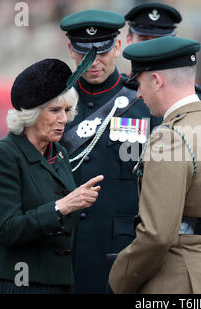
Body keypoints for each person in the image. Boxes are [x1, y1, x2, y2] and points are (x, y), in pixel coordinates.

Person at [108, 36, 201, 293]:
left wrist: (119, 278)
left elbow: (157, 235)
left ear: (156, 80)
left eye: (139, 83)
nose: (138, 93)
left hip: (176, 282)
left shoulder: (168, 137)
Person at [0, 59, 103, 294]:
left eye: (67, 111)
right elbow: (9, 229)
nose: (64, 119)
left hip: (55, 282)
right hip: (10, 284)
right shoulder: (2, 155)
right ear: (30, 114)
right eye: (54, 110)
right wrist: (62, 206)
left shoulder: (58, 153)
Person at [58, 9, 161, 293]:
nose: (93, 61)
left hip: (121, 248)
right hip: (61, 246)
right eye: (84, 52)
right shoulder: (53, 103)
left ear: (117, 47)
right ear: (70, 49)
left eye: (102, 51)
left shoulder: (143, 103)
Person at [124, 2, 201, 104]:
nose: (152, 47)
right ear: (129, 40)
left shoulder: (193, 98)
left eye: (161, 40)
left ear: (175, 42)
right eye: (144, 40)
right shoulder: (116, 92)